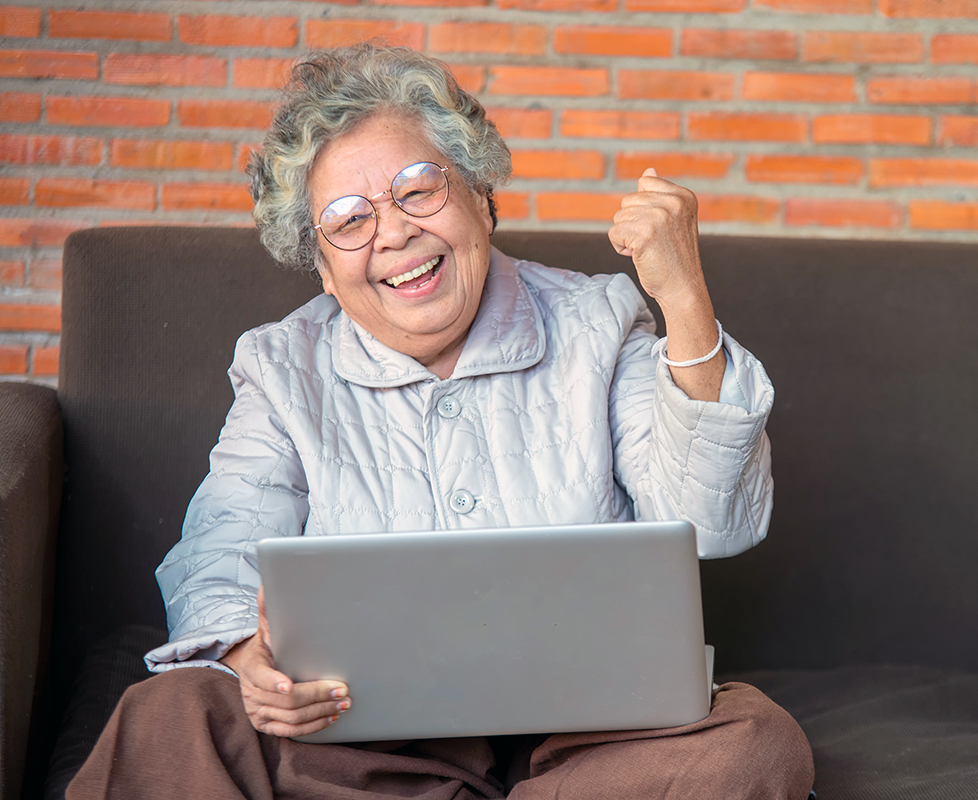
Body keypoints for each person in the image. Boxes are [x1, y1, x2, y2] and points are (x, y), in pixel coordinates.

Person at [68, 43, 814, 799]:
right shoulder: (281, 367)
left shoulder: (600, 320)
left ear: (479, 197)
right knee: (166, 718)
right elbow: (221, 548)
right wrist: (240, 658)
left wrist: (684, 299)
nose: (391, 233)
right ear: (322, 266)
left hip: (595, 743)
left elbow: (710, 521)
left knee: (754, 746)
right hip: (363, 746)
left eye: (417, 188)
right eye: (347, 219)